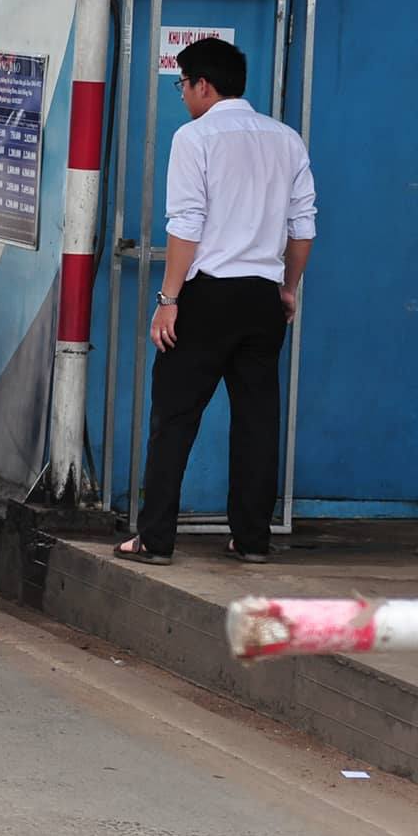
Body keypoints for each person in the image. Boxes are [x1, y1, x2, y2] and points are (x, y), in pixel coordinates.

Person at [117, 38, 316, 567]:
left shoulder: (195, 137)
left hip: (207, 295)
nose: (181, 94)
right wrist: (288, 287)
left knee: (175, 418)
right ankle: (252, 539)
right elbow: (303, 227)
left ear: (204, 84)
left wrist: (169, 299)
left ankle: (154, 539)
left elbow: (186, 225)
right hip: (263, 297)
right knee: (256, 420)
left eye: (182, 84)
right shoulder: (286, 140)